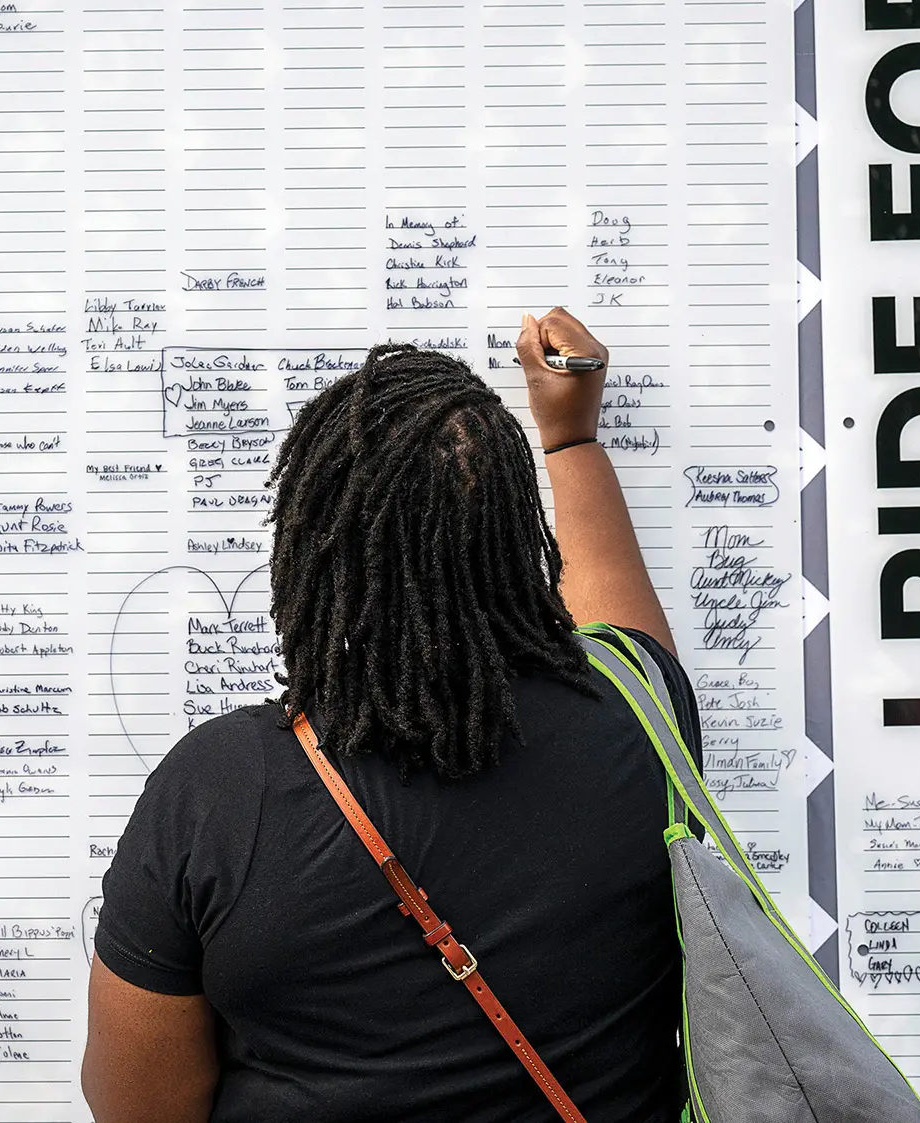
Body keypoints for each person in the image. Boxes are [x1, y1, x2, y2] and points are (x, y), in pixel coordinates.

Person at [81, 308, 699, 1123]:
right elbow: (616, 619)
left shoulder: (218, 790)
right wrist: (570, 440)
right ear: (520, 539)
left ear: (312, 549)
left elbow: (135, 1107)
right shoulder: (637, 712)